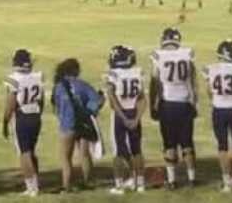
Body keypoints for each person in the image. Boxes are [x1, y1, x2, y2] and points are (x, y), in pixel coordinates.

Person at [149, 27, 198, 189]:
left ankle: (171, 181)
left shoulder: (158, 56)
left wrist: (153, 104)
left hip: (168, 104)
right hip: (184, 102)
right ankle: (192, 179)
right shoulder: (187, 53)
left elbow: (155, 82)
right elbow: (192, 80)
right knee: (187, 143)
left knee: (169, 144)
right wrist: (193, 101)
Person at [202, 40, 232, 192]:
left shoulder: (210, 69)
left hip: (219, 110)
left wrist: (217, 99)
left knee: (222, 147)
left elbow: (209, 91)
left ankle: (227, 183)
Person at [51, 58, 102, 193]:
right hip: (83, 123)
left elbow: (55, 107)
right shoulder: (82, 85)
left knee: (66, 157)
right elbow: (97, 100)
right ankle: (88, 181)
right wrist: (90, 112)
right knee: (84, 154)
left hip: (67, 125)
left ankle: (67, 185)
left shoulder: (59, 86)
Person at [105, 45, 146, 195]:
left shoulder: (113, 74)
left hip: (120, 114)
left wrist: (122, 117)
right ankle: (140, 184)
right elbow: (142, 99)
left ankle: (119, 185)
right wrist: (136, 118)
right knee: (137, 150)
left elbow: (112, 100)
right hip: (134, 112)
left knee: (118, 151)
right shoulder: (137, 73)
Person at [2, 49, 44, 197]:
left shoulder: (13, 79)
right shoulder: (38, 76)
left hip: (22, 116)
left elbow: (11, 103)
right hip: (35, 114)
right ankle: (35, 183)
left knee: (24, 153)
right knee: (31, 151)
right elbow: (41, 99)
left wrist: (5, 121)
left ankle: (32, 187)